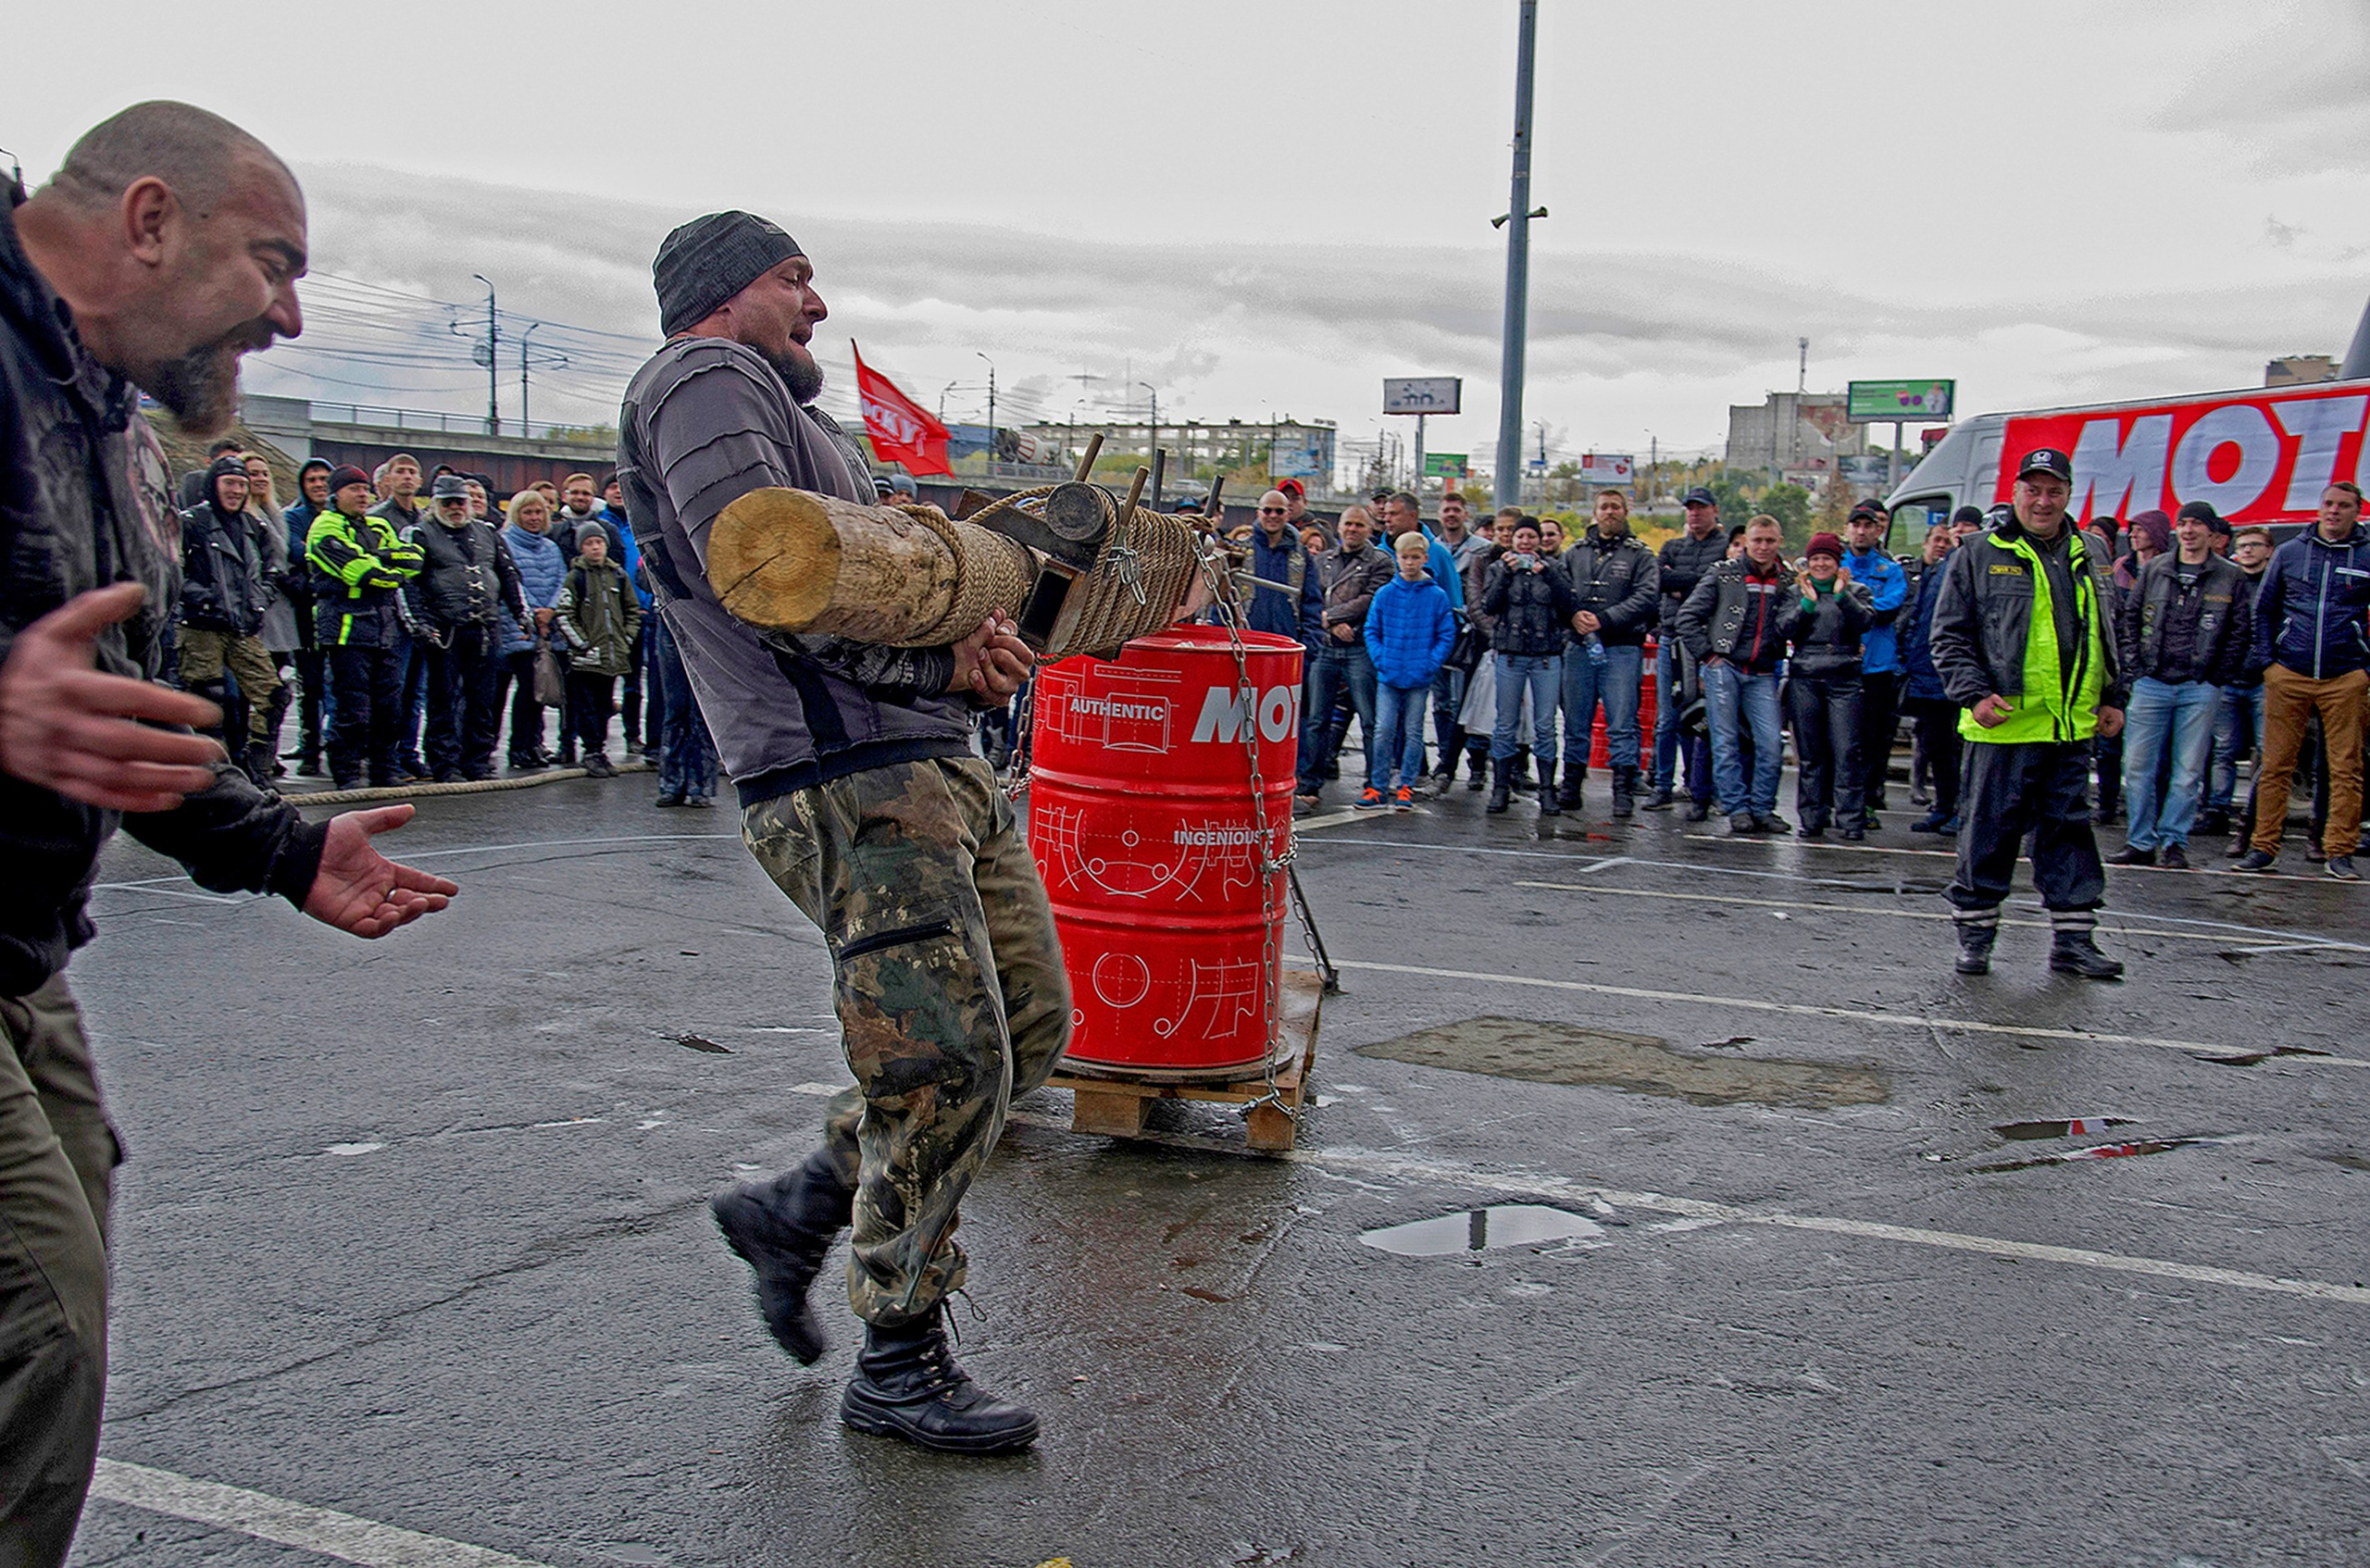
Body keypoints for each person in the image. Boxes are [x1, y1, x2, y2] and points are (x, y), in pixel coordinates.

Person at [0, 101, 456, 1568]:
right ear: (150, 219)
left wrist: (279, 846)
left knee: (60, 1293)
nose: (292, 313)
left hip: (20, 960)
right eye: (274, 263)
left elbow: (112, 703)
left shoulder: (104, 419)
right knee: (37, 1330)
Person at [617, 210, 1051, 1454]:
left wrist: (982, 636)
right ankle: (900, 1355)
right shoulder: (705, 377)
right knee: (942, 1061)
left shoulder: (797, 415)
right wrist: (940, 671)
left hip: (924, 765)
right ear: (721, 293)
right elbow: (772, 583)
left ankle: (799, 1205)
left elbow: (897, 581)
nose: (816, 302)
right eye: (793, 279)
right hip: (843, 776)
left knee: (1024, 1022)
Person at [1927, 448, 2126, 977]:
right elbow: (1948, 636)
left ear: (2068, 493)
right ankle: (1975, 938)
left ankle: (2073, 943)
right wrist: (1973, 694)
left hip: (2068, 725)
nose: (2043, 501)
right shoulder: (1976, 552)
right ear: (2015, 492)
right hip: (2003, 725)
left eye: (2054, 490)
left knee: (2069, 836)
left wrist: (2113, 696)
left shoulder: (2091, 551)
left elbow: (2110, 630)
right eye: (2033, 490)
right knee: (1987, 836)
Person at [2234, 481, 2370, 879]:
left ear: (2356, 511)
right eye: (2328, 503)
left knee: (2346, 768)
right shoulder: (2292, 552)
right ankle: (2263, 847)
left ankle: (2339, 852)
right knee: (2276, 764)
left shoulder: (2366, 555)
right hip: (2288, 673)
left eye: (2343, 506)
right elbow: (2264, 610)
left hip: (2345, 676)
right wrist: (2268, 662)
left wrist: (2366, 669)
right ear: (2319, 507)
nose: (2333, 511)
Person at [2107, 502, 2250, 868]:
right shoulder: (2155, 568)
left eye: (2196, 525)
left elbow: (2238, 630)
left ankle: (2174, 842)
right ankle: (2140, 842)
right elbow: (2131, 619)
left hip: (2199, 685)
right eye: (2183, 524)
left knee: (2187, 770)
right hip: (2151, 682)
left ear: (2210, 533)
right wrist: (2135, 667)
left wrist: (2218, 675)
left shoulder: (2229, 576)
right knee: (2137, 765)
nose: (2188, 531)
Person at [307, 466, 424, 789]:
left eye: (364, 490)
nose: (362, 495)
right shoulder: (324, 526)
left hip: (383, 626)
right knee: (352, 707)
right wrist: (383, 563)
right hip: (344, 628)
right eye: (354, 489)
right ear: (337, 494)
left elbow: (414, 560)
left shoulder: (378, 523)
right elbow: (358, 571)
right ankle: (345, 772)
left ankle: (383, 770)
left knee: (390, 706)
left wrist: (377, 559)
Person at [1677, 515, 1793, 835]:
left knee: (1771, 743)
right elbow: (1687, 616)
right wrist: (1708, 655)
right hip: (1724, 667)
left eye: (1770, 541)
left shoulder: (1788, 580)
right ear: (1746, 543)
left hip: (1763, 672)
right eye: (1757, 541)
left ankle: (1762, 808)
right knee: (1725, 742)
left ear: (1779, 542)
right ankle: (1737, 807)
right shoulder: (1723, 574)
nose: (1764, 547)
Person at [408, 473, 527, 782]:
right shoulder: (420, 534)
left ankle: (477, 759)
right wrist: (421, 623)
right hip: (444, 630)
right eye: (447, 503)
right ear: (436, 504)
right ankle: (444, 763)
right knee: (443, 699)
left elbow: (509, 575)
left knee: (482, 699)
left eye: (460, 501)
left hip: (485, 628)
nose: (455, 508)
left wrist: (520, 614)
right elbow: (411, 584)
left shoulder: (487, 532)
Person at [177, 454, 281, 787]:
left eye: (241, 484)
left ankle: (258, 770)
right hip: (200, 629)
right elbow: (171, 570)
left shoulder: (254, 526)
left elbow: (275, 566)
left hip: (243, 628)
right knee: (210, 702)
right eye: (229, 483)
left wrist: (261, 599)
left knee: (274, 697)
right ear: (213, 485)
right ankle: (215, 776)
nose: (237, 490)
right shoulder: (191, 522)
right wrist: (203, 597)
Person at [1556, 489, 1658, 815]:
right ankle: (1571, 787)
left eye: (1616, 506)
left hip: (1622, 647)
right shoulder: (1574, 552)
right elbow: (1558, 589)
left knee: (1622, 722)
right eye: (1604, 507)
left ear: (1626, 510)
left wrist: (1604, 619)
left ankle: (1623, 792)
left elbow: (1646, 597)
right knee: (1576, 721)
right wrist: (1573, 615)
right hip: (1578, 648)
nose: (1610, 512)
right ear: (1595, 512)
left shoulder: (1641, 555)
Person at [1294, 505, 1392, 811]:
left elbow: (1372, 599)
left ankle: (1375, 785)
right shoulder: (1321, 560)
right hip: (1325, 646)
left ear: (1369, 529)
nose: (1352, 529)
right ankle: (1310, 784)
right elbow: (1309, 596)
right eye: (1348, 524)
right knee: (1316, 720)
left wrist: (1330, 616)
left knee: (1370, 721)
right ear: (1339, 527)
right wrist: (1333, 622)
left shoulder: (1381, 561)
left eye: (1359, 525)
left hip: (1360, 647)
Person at [1783, 531, 1875, 840]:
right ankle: (1812, 817)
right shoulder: (1796, 593)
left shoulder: (1857, 590)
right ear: (1807, 563)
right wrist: (1806, 605)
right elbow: (1783, 628)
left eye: (1827, 559)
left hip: (1845, 676)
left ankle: (1850, 818)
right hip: (1805, 675)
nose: (1821, 564)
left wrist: (1842, 596)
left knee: (1848, 750)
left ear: (1838, 562)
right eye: (1816, 559)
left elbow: (1864, 623)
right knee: (1811, 753)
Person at [1479, 520, 1573, 815]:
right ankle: (1500, 789)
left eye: (1532, 536)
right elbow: (1489, 606)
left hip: (1546, 656)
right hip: (1510, 654)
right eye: (1520, 536)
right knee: (1505, 725)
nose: (1526, 542)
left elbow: (1570, 604)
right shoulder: (1498, 568)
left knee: (1545, 725)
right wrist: (1507, 573)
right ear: (1511, 540)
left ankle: (1547, 790)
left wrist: (1548, 574)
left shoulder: (1555, 567)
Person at [1645, 486, 1726, 814]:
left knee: (1709, 719)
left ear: (1715, 511)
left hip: (1709, 641)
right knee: (1669, 718)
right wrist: (1694, 584)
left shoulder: (1726, 549)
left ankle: (1705, 788)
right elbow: (1658, 581)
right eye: (1690, 509)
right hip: (1672, 639)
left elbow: (1719, 584)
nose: (1694, 514)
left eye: (1701, 508)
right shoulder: (1672, 546)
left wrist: (1683, 585)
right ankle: (1663, 785)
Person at [1362, 529, 1456, 810]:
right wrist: (1381, 658)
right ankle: (1377, 786)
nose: (1410, 562)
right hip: (1389, 673)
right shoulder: (1385, 593)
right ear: (1397, 559)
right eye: (1405, 557)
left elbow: (1446, 634)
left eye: (1415, 557)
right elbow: (1372, 629)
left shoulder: (1436, 596)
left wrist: (1430, 664)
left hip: (1418, 675)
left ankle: (1406, 785)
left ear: (1425, 558)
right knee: (1383, 730)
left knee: (1414, 732)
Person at [1899, 516, 1970, 834]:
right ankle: (1943, 806)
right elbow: (1919, 615)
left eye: (1968, 528)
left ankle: (1961, 809)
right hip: (1928, 670)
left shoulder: (1971, 566)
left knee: (1960, 747)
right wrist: (1910, 658)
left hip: (1958, 672)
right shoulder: (1937, 569)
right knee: (1936, 745)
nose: (1959, 534)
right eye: (1958, 528)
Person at [2203, 526, 2275, 840]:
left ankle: (2258, 815)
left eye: (2254, 545)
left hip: (2264, 680)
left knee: (2268, 751)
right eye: (2242, 545)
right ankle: (2218, 811)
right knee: (2224, 750)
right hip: (2229, 679)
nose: (2247, 551)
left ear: (2269, 550)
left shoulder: (2276, 583)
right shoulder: (2228, 580)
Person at [1841, 501, 1909, 817]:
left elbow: (1888, 608)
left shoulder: (1890, 570)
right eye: (1857, 524)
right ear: (1848, 528)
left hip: (1878, 667)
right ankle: (1838, 799)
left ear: (1878, 530)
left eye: (1869, 525)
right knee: (1841, 739)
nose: (1862, 531)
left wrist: (1850, 607)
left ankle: (1867, 800)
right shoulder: (1833, 563)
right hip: (1841, 663)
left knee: (1872, 739)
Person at [555, 528, 640, 777]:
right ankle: (590, 749)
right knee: (586, 706)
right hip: (586, 658)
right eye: (589, 543)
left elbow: (632, 610)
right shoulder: (576, 577)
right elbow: (565, 614)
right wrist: (582, 644)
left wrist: (625, 638)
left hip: (612, 656)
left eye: (599, 542)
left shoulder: (619, 576)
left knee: (604, 706)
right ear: (582, 547)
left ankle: (599, 749)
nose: (595, 547)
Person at [494, 489, 566, 769]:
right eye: (528, 512)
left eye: (539, 512)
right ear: (516, 515)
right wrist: (534, 613)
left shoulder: (551, 547)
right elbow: (511, 583)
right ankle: (516, 748)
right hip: (519, 629)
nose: (534, 518)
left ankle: (532, 745)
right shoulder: (504, 543)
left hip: (547, 630)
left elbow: (562, 580)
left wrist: (551, 611)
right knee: (524, 692)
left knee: (539, 693)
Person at [281, 459, 331, 776]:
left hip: (338, 610)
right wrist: (333, 550)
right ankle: (310, 749)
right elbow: (296, 552)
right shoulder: (293, 517)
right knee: (310, 684)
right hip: (306, 609)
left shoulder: (343, 517)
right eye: (312, 479)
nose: (318, 484)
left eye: (324, 478)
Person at [1242, 489, 1323, 659]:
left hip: (1288, 653)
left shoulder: (1301, 555)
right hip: (1244, 649)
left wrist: (1308, 650)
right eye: (1267, 510)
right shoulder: (1240, 551)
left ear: (1288, 514)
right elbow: (1223, 602)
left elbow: (1312, 604)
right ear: (1258, 513)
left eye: (1279, 511)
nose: (1273, 515)